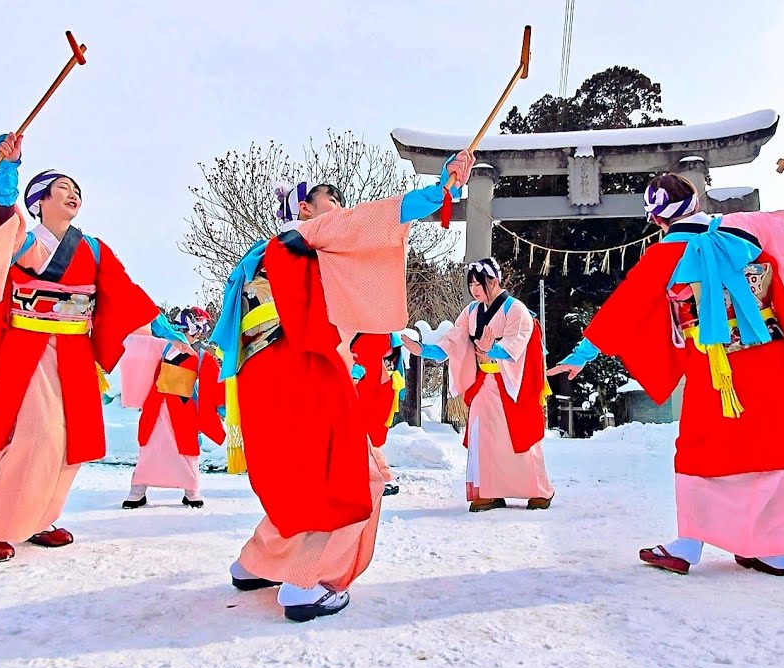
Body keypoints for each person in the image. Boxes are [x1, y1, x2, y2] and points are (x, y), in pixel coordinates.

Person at [213, 151, 475, 621]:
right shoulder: (308, 235)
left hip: (259, 375)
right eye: (331, 200)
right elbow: (383, 217)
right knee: (357, 475)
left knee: (300, 477)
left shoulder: (259, 257)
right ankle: (308, 583)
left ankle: (255, 563)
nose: (341, 208)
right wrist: (443, 190)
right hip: (303, 366)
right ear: (304, 209)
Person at [547, 172, 784, 576]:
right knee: (774, 445)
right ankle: (771, 550)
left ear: (658, 219)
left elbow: (621, 312)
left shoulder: (664, 255)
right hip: (773, 355)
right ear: (695, 203)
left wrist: (581, 355)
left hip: (717, 366)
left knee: (703, 449)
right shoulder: (747, 226)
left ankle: (688, 545)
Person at [0, 132, 188, 562]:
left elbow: (126, 294)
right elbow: (5, 226)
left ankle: (37, 518)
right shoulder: (29, 242)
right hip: (30, 349)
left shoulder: (94, 250)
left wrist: (163, 328)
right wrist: (8, 173)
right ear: (38, 201)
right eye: (62, 188)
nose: (72, 194)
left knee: (69, 442)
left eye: (76, 190)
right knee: (36, 436)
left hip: (75, 353)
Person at [403, 258, 554, 511]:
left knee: (519, 435)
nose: (474, 289)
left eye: (479, 283)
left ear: (494, 281)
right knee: (482, 436)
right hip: (484, 382)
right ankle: (488, 492)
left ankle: (538, 490)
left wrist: (491, 349)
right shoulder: (471, 311)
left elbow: (516, 345)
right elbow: (453, 341)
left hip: (513, 383)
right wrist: (424, 350)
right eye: (471, 284)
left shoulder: (515, 309)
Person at [119, 307, 225, 509]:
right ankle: (138, 490)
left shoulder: (200, 356)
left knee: (186, 450)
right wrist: (169, 334)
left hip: (183, 407)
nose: (198, 335)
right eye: (197, 329)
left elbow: (215, 384)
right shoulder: (162, 346)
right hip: (157, 405)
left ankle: (191, 491)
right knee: (150, 447)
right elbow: (152, 317)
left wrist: (221, 408)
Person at [350, 332, 408, 497]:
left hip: (370, 389)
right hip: (376, 387)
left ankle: (383, 477)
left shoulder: (374, 336)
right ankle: (380, 477)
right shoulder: (382, 333)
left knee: (364, 434)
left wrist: (355, 372)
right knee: (365, 435)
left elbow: (365, 360)